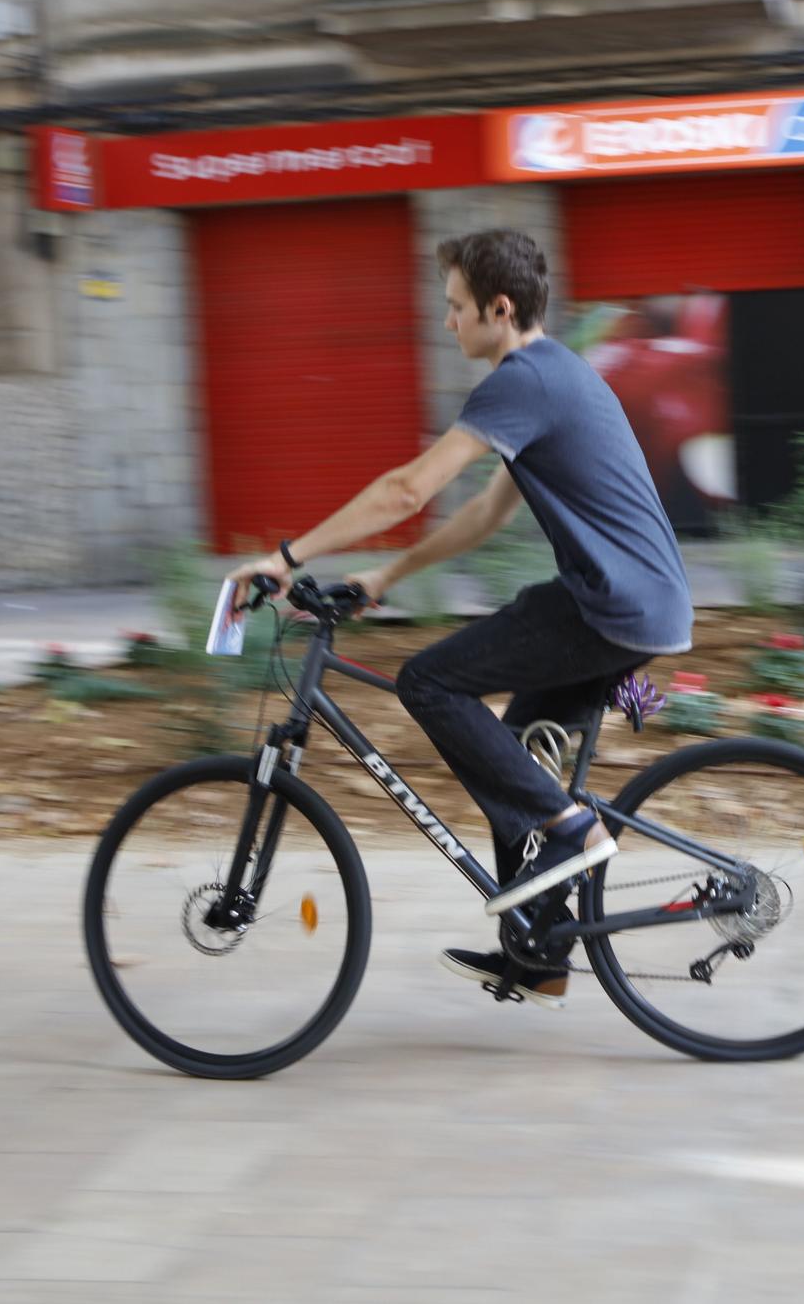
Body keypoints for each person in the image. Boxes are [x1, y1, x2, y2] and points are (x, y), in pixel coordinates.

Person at [226, 229, 695, 1009]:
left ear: (499, 309)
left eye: (455, 307)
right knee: (507, 760)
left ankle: (572, 831)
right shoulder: (552, 377)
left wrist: (288, 555)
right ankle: (539, 954)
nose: (447, 323)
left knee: (430, 682)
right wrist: (386, 574)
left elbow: (408, 490)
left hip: (612, 608)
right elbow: (481, 513)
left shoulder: (522, 381)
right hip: (625, 603)